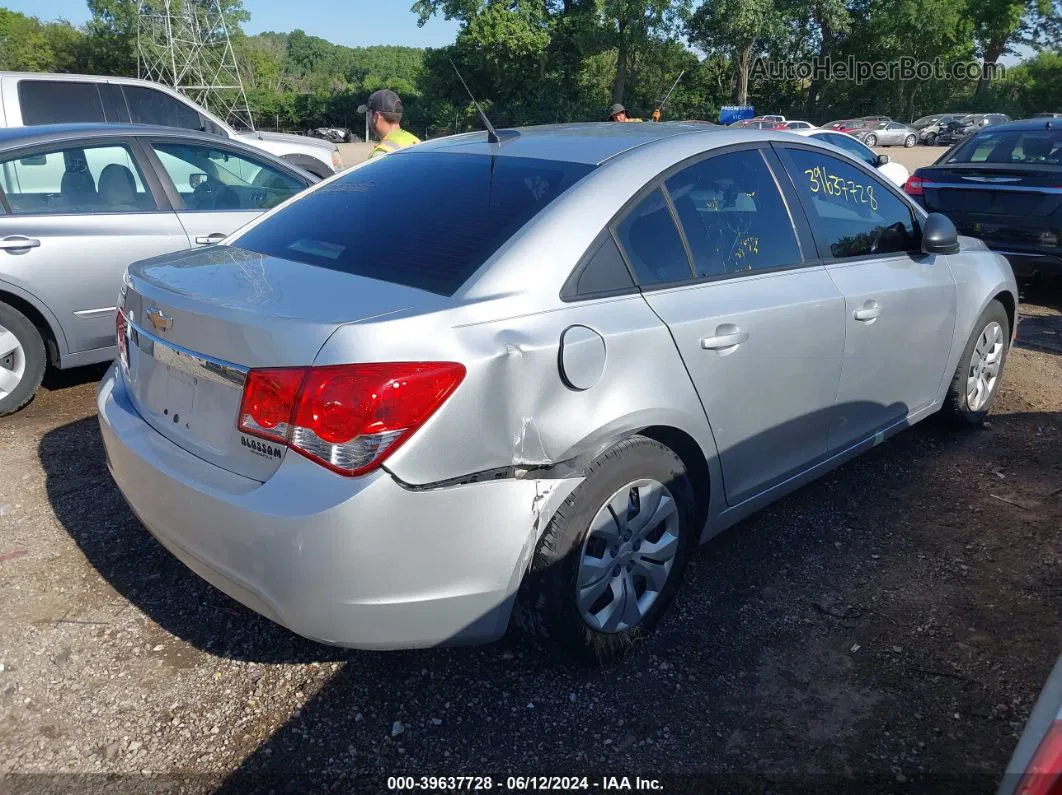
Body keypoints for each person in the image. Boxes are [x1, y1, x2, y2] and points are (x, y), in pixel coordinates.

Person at [358, 89, 421, 159]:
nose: (368, 118)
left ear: (376, 117)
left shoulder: (381, 153)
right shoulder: (416, 141)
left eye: (368, 113)